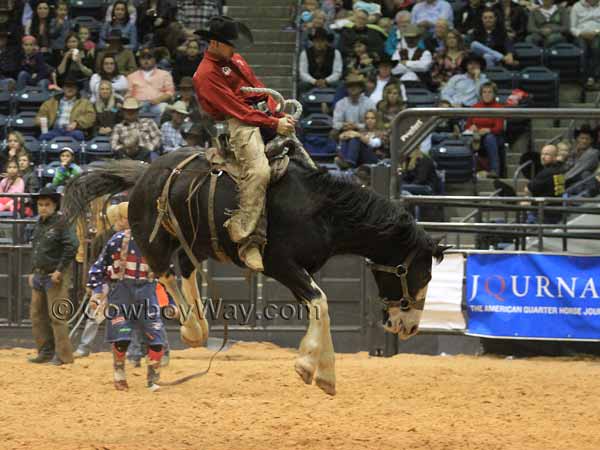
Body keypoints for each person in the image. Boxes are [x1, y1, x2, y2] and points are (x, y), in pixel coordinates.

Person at [192, 16, 300, 273]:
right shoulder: (205, 75)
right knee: (259, 171)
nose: (235, 49)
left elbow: (260, 89)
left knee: (299, 157)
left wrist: (277, 111)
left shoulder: (235, 59)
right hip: (236, 123)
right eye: (230, 44)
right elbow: (236, 109)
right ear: (216, 43)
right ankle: (245, 235)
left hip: (257, 113)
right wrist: (274, 124)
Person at [87, 201, 166, 390]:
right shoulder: (117, 240)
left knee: (156, 338)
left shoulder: (157, 242)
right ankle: (119, 374)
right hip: (122, 291)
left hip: (147, 290)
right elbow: (99, 267)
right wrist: (98, 292)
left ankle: (153, 378)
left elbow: (167, 273)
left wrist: (171, 299)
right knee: (121, 337)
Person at [28, 185, 79, 365]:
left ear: (54, 205)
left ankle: (63, 356)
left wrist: (59, 269)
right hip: (40, 274)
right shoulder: (39, 224)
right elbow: (36, 250)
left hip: (55, 275)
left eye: (46, 204)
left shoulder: (62, 223)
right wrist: (32, 271)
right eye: (40, 204)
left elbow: (72, 245)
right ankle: (45, 352)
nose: (42, 207)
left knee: (57, 316)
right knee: (37, 315)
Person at [35, 74, 96, 141]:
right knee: (43, 137)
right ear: (63, 88)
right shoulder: (51, 102)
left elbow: (91, 117)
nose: (70, 89)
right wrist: (39, 120)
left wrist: (76, 123)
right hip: (55, 130)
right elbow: (40, 115)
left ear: (77, 89)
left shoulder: (85, 102)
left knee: (78, 135)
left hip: (74, 131)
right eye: (67, 86)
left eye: (72, 86)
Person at [465, 82, 505, 177]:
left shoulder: (498, 108)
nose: (487, 94)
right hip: (477, 135)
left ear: (494, 94)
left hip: (494, 137)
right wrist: (471, 128)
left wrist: (489, 130)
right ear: (481, 94)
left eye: (490, 92)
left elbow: (499, 127)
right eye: (484, 92)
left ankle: (494, 171)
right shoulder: (475, 107)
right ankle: (468, 172)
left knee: (489, 138)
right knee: (468, 139)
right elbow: (467, 126)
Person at [127, 46, 175, 115]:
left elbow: (170, 92)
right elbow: (129, 94)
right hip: (139, 105)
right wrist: (135, 102)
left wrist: (158, 100)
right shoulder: (131, 76)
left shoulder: (165, 74)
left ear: (154, 59)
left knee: (163, 108)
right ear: (139, 60)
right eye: (143, 58)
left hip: (158, 104)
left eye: (149, 58)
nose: (146, 61)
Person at [111, 96, 161, 161]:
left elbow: (158, 138)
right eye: (128, 110)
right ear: (123, 112)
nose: (130, 112)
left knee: (155, 159)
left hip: (147, 153)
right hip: (126, 155)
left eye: (133, 110)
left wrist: (147, 149)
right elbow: (114, 145)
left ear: (137, 111)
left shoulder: (148, 122)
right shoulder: (118, 127)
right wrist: (126, 150)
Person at [299, 27, 343, 94]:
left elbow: (337, 72)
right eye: (316, 41)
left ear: (326, 42)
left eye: (322, 41)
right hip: (312, 82)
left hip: (329, 82)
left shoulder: (335, 52)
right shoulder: (305, 53)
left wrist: (326, 81)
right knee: (302, 85)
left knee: (340, 85)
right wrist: (314, 81)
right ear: (313, 42)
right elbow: (303, 73)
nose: (319, 43)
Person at [570, 0, 600, 88]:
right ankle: (583, 77)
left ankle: (593, 77)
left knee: (596, 47)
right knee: (582, 50)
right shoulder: (577, 6)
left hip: (597, 34)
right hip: (581, 34)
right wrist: (581, 33)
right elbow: (572, 27)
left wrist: (596, 32)